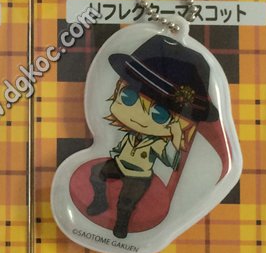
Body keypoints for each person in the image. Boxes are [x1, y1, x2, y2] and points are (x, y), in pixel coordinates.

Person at [87, 35, 219, 238]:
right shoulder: (131, 134)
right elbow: (118, 145)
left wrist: (176, 138)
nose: (139, 117)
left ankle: (122, 223)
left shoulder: (157, 143)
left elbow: (171, 161)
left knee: (126, 201)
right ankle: (100, 201)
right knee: (96, 174)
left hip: (139, 176)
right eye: (128, 97)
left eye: (160, 115)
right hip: (120, 164)